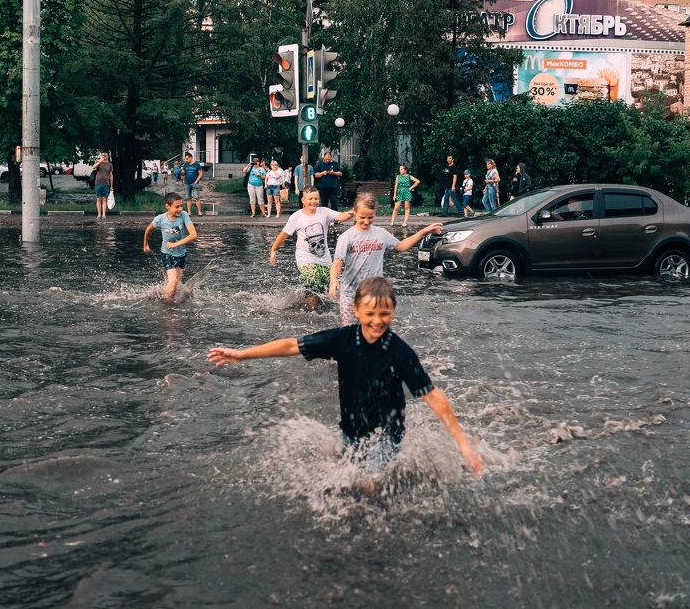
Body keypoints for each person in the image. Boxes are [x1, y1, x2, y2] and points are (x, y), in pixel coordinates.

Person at [207, 276, 483, 486]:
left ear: (394, 312)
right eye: (370, 314)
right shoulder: (342, 339)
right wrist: (242, 355)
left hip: (388, 430)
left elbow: (431, 395)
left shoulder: (400, 353)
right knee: (349, 472)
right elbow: (293, 345)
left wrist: (462, 442)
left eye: (384, 314)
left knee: (369, 481)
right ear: (357, 310)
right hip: (352, 426)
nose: (377, 321)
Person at [329, 192, 442, 326]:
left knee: (374, 330)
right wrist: (333, 280)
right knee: (350, 332)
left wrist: (424, 231)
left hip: (375, 293)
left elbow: (401, 246)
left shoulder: (381, 233)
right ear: (354, 212)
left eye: (370, 217)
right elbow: (337, 263)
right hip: (350, 293)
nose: (366, 221)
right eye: (362, 217)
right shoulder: (346, 237)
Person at [270, 186, 354, 300]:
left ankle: (310, 303)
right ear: (303, 200)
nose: (313, 201)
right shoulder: (297, 217)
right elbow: (284, 235)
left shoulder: (324, 212)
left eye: (316, 199)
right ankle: (311, 313)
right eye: (310, 199)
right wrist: (274, 250)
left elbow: (341, 216)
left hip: (325, 259)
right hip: (305, 258)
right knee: (313, 280)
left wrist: (352, 212)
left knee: (326, 288)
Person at [142, 192, 197, 299]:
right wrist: (145, 245)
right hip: (168, 254)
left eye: (181, 206)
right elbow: (148, 229)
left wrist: (175, 244)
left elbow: (193, 235)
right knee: (173, 282)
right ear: (168, 206)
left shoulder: (184, 215)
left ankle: (165, 295)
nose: (180, 209)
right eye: (177, 207)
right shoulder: (160, 219)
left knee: (177, 283)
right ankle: (166, 307)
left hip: (181, 254)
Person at [181, 152, 204, 216]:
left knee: (197, 197)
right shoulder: (185, 165)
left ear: (191, 158)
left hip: (195, 183)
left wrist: (196, 182)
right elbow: (183, 174)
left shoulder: (197, 164)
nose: (186, 160)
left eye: (187, 158)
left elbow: (200, 174)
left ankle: (199, 212)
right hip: (187, 184)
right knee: (188, 198)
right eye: (185, 159)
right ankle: (189, 212)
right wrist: (181, 171)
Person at [92, 152, 114, 219]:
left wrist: (111, 186)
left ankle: (104, 214)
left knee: (104, 199)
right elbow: (93, 167)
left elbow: (111, 175)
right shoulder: (98, 162)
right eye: (103, 155)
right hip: (98, 183)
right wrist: (100, 161)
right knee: (98, 199)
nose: (104, 156)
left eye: (105, 155)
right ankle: (99, 214)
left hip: (106, 183)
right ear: (101, 156)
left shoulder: (110, 164)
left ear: (108, 156)